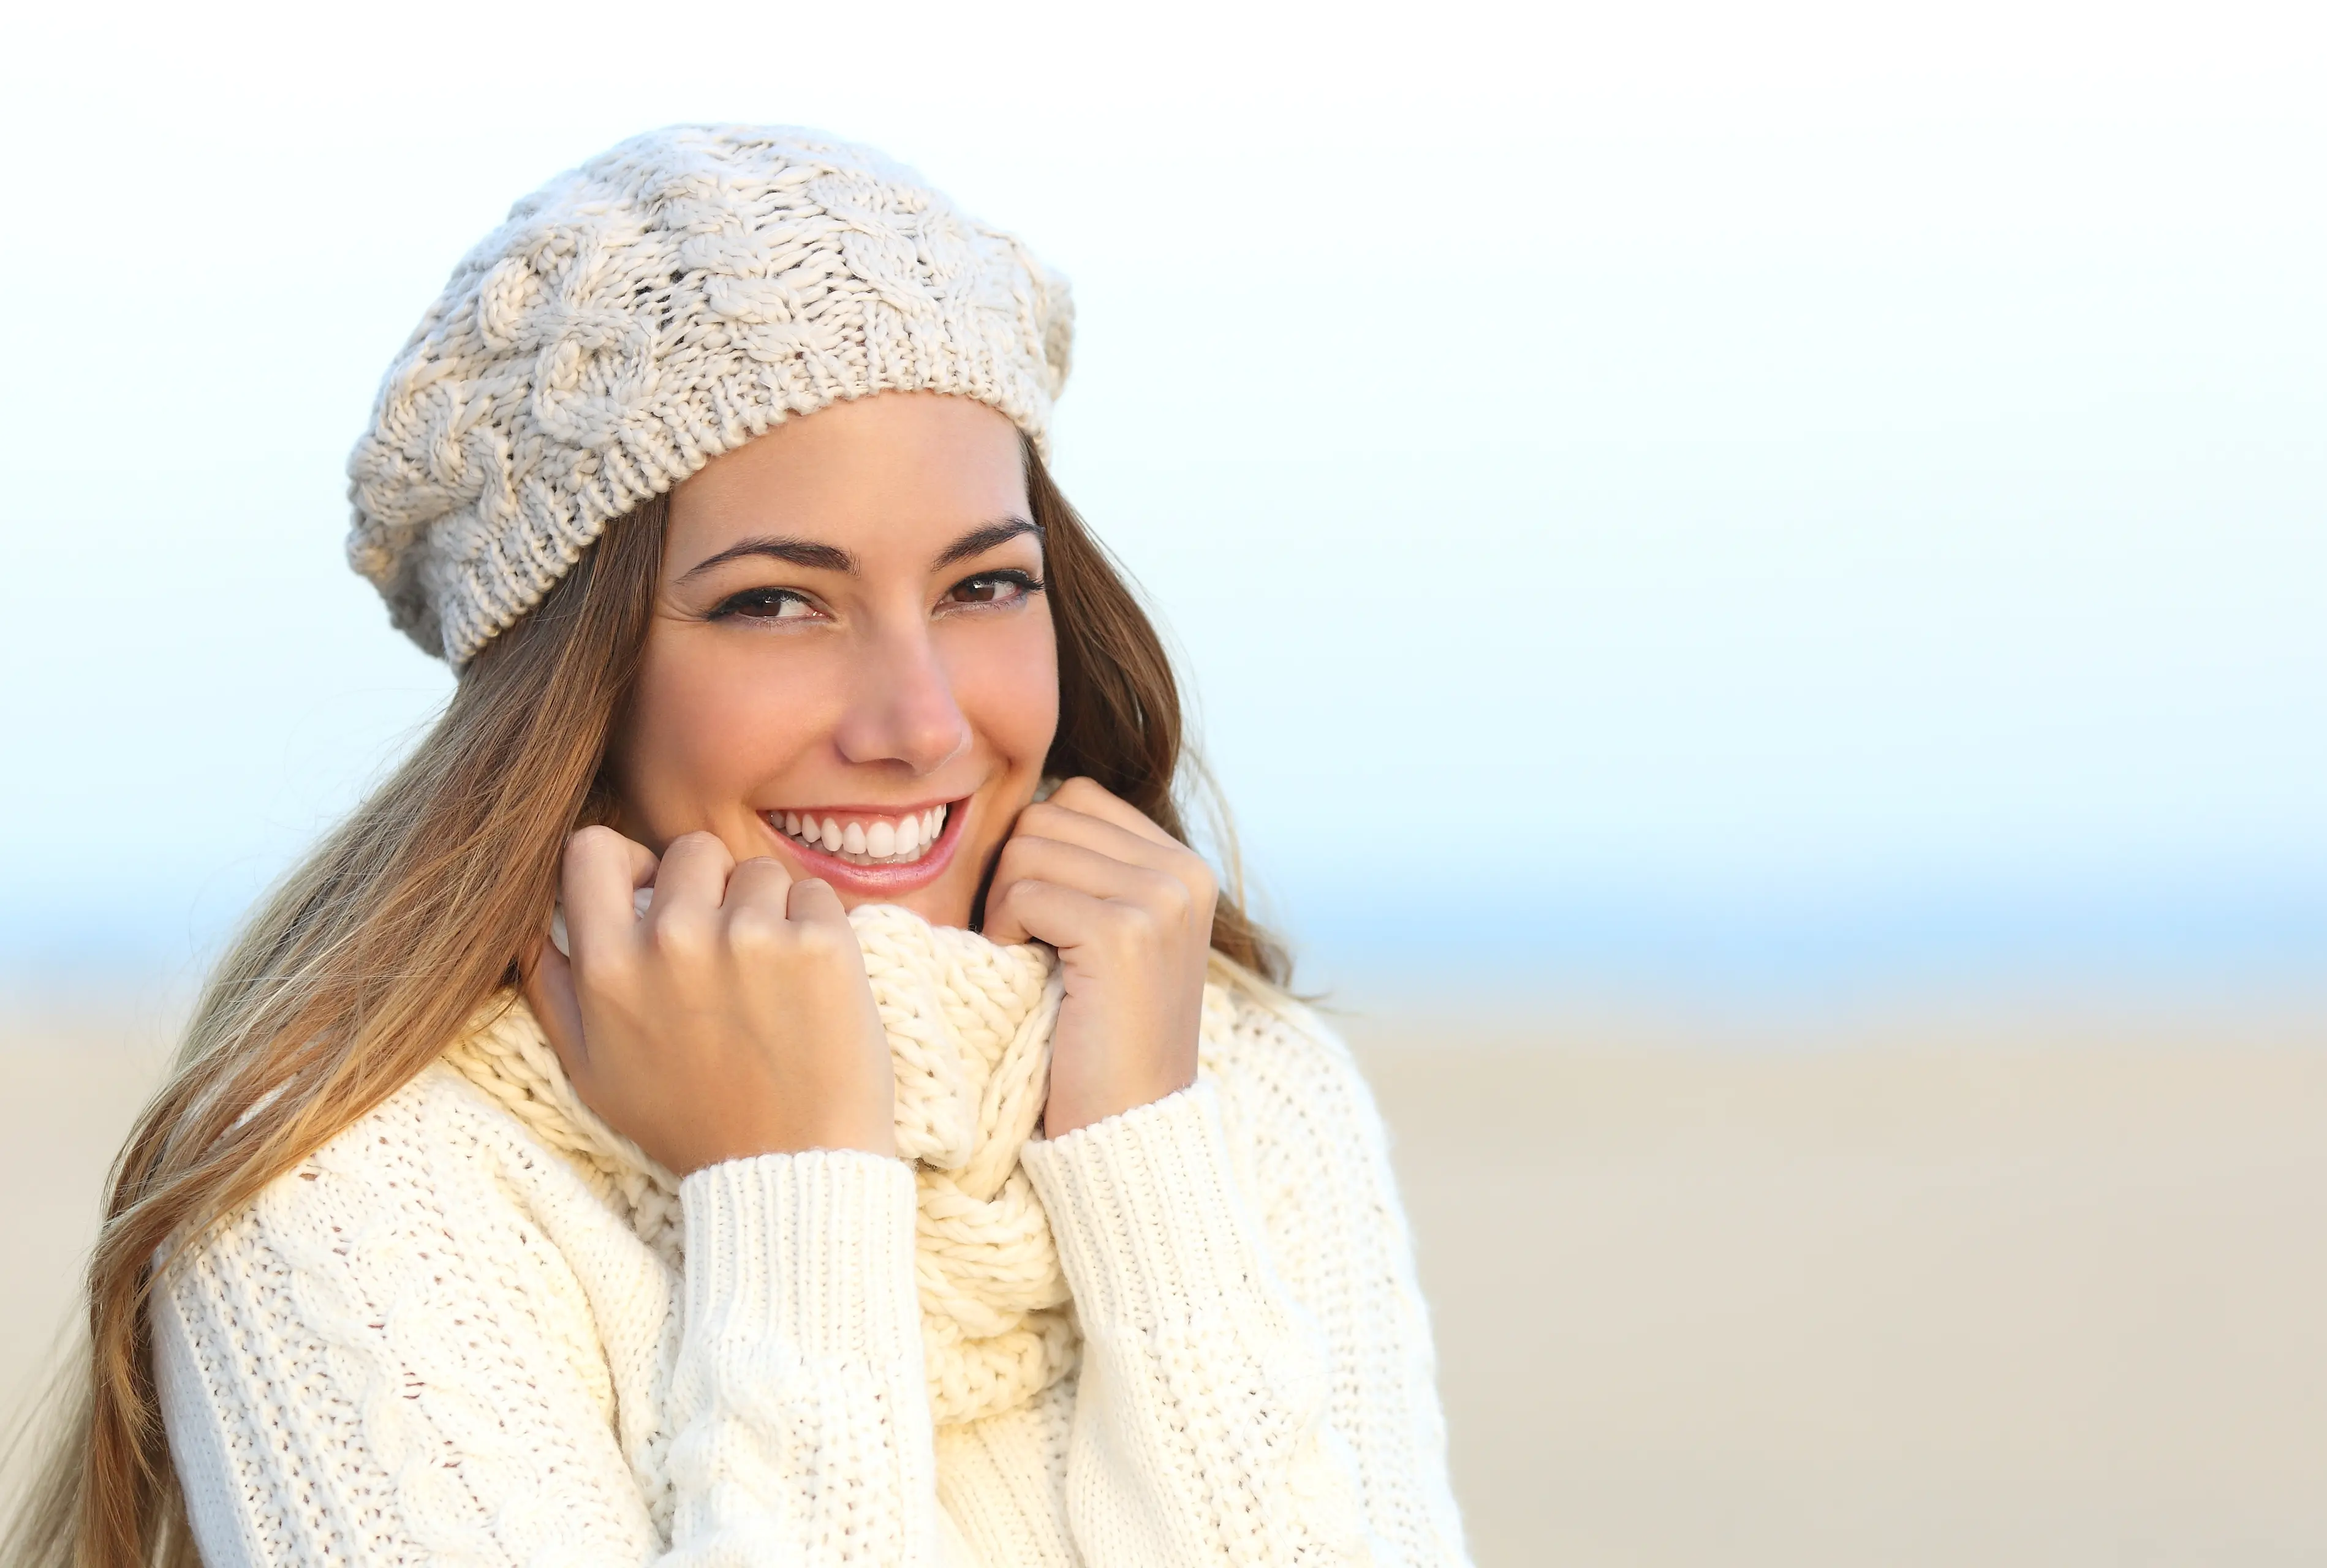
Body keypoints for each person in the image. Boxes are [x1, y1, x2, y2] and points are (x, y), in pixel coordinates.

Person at [12, 127, 1471, 1567]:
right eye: (777, 601)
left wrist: (1148, 1171)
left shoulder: (1225, 1081)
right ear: (573, 679)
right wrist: (792, 1183)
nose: (920, 719)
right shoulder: (342, 1190)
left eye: (984, 584)